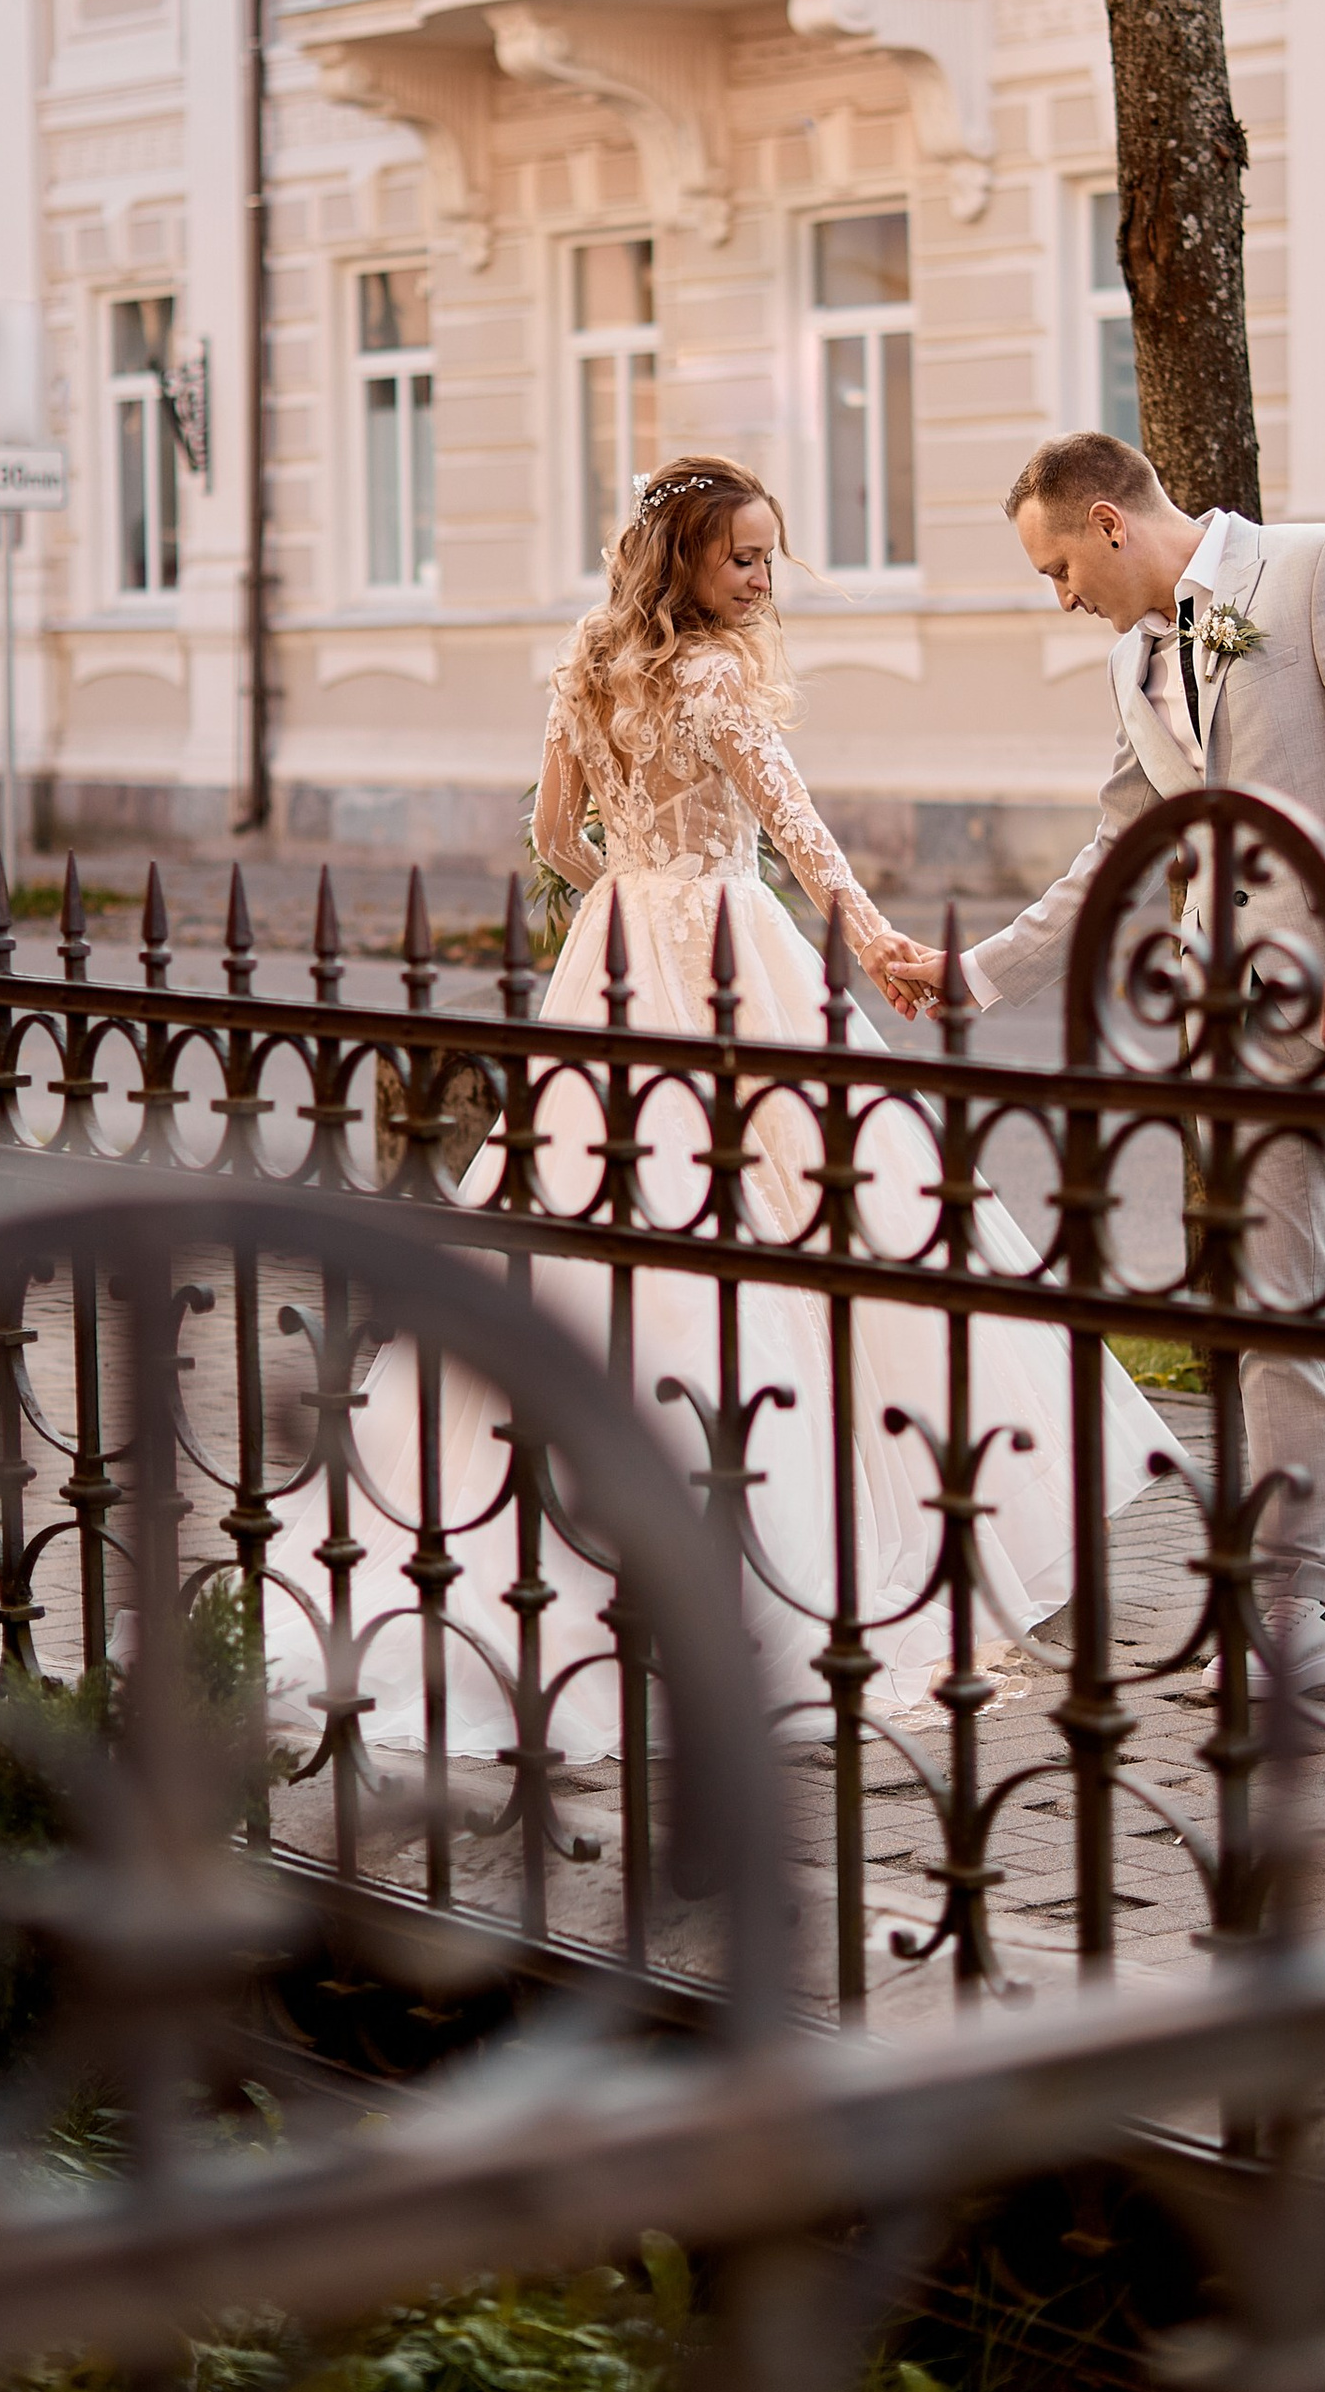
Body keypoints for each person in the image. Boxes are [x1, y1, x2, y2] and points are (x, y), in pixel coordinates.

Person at [271, 455, 1178, 1764]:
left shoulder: (586, 666)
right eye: (741, 557)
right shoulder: (709, 679)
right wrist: (868, 943)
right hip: (723, 949)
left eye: (767, 555)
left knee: (597, 1201)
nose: (762, 579)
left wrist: (624, 891)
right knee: (815, 1204)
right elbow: (802, 838)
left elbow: (554, 835)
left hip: (618, 949)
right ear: (683, 561)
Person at [873, 431, 1325, 1699]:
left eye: (1059, 568)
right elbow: (1117, 847)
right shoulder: (1133, 661)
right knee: (1271, 1306)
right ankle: (1306, 1594)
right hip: (1237, 1017)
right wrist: (976, 973)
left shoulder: (1322, 569)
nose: (1061, 599)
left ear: (1108, 523)